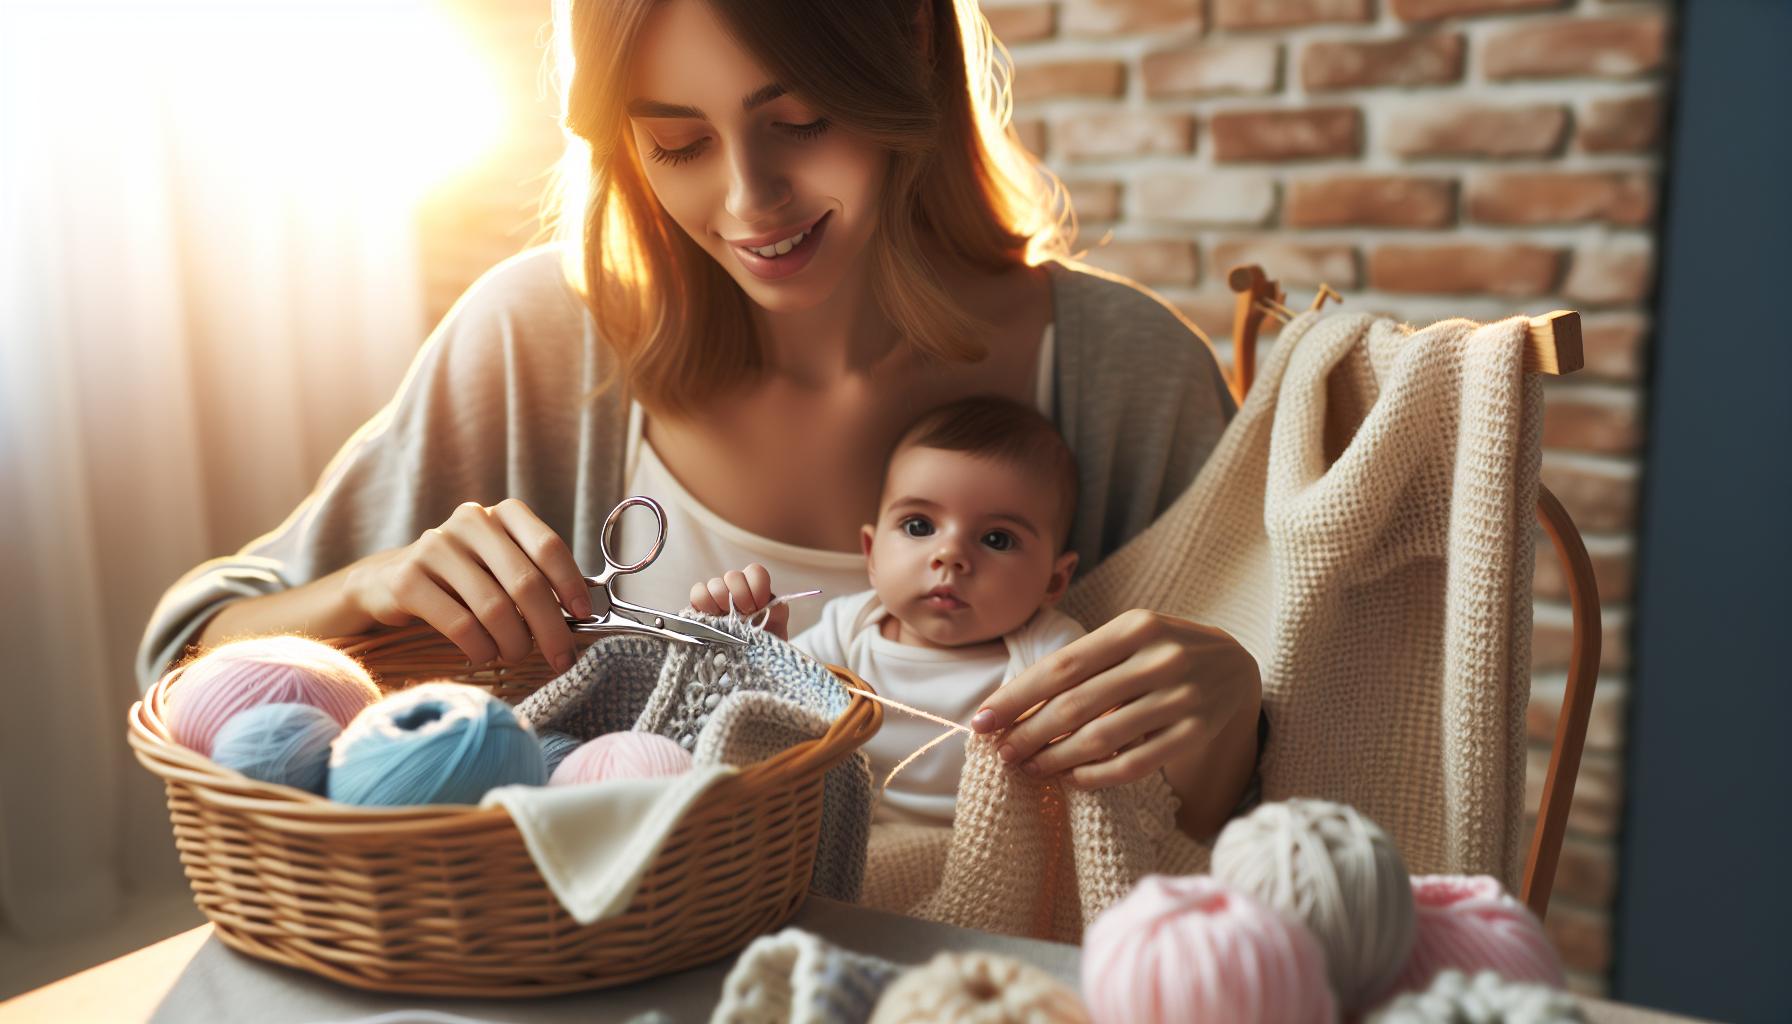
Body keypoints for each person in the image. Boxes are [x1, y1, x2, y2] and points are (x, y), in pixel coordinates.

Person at [136, 0, 1261, 841]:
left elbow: (1265, 813)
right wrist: (364, 588)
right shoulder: (539, 339)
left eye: (801, 120)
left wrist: (1226, 717)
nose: (746, 201)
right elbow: (190, 666)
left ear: (915, 45)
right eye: (675, 141)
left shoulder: (1127, 373)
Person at [689, 396, 1086, 827]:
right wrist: (760, 647)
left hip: (982, 850)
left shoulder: (1050, 651)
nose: (950, 555)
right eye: (919, 526)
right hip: (842, 836)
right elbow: (778, 715)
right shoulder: (850, 629)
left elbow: (1095, 751)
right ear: (872, 554)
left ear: (1054, 581)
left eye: (997, 539)